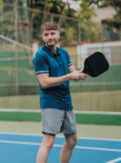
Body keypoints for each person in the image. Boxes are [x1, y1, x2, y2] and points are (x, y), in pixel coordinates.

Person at [33, 22, 87, 163]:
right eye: (46, 34)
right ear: (42, 37)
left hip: (66, 102)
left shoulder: (64, 53)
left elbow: (73, 73)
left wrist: (80, 74)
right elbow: (44, 82)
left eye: (52, 33)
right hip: (50, 103)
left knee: (72, 140)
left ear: (58, 35)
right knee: (49, 142)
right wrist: (70, 76)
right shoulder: (40, 56)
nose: (49, 37)